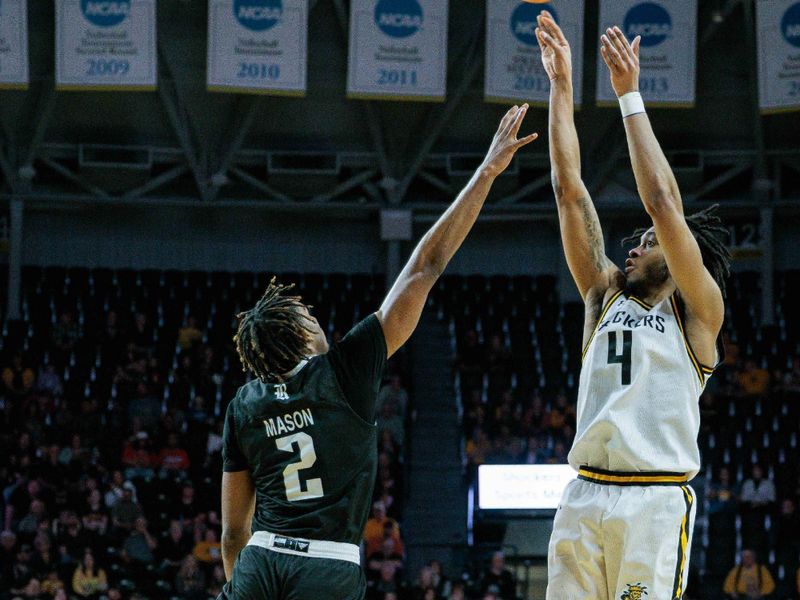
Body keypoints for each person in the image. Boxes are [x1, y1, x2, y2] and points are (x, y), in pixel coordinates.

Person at [217, 107, 538, 600]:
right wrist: (486, 171)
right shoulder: (344, 370)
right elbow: (424, 267)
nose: (316, 317)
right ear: (302, 338)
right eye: (307, 315)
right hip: (327, 568)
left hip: (261, 561)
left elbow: (233, 534)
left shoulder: (245, 405)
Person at [536, 11, 731, 599]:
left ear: (677, 257)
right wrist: (562, 87)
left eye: (647, 243)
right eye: (637, 240)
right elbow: (568, 188)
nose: (635, 243)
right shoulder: (602, 294)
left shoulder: (698, 313)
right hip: (583, 493)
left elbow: (664, 205)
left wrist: (629, 97)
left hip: (652, 500)